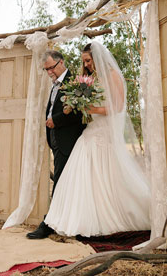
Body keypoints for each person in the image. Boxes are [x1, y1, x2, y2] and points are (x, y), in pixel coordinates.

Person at [44, 41, 151, 238]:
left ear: (97, 58)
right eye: (84, 61)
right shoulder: (90, 79)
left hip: (105, 133)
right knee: (80, 170)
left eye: (88, 60)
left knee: (108, 176)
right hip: (91, 130)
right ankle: (78, 218)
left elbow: (116, 108)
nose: (86, 65)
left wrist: (89, 109)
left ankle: (126, 212)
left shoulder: (113, 77)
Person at [26, 50, 86, 239]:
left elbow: (79, 114)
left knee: (60, 182)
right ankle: (62, 221)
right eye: (46, 69)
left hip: (68, 139)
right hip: (55, 138)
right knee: (64, 181)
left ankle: (49, 224)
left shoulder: (75, 82)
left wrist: (56, 121)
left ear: (61, 62)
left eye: (51, 68)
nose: (49, 72)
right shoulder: (55, 85)